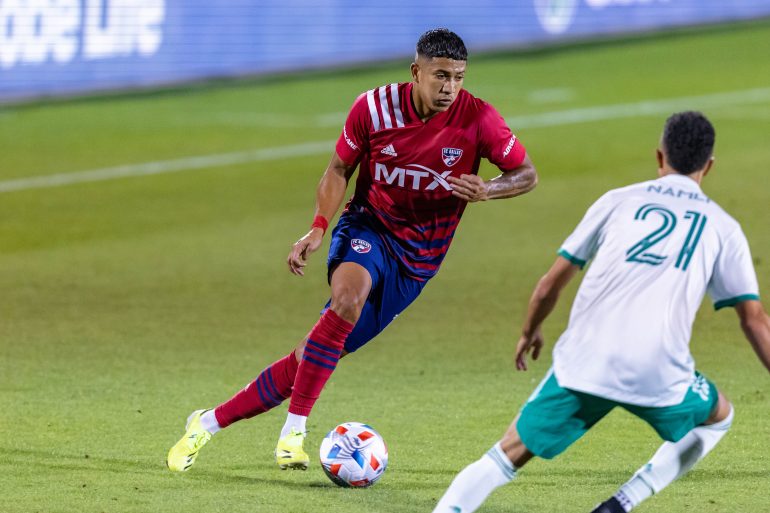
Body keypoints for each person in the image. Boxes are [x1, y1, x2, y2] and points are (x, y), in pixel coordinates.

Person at [166, 28, 537, 472]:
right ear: (416, 72)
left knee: (310, 357)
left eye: (458, 77)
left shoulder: (478, 118)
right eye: (440, 75)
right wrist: (318, 227)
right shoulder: (373, 108)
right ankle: (293, 433)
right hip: (367, 227)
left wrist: (489, 189)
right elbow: (339, 168)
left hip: (417, 262)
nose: (449, 87)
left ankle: (207, 422)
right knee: (347, 299)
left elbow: (526, 174)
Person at [432, 111, 770, 513]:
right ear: (708, 166)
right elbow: (754, 320)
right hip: (659, 368)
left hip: (585, 359)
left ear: (659, 156)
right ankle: (621, 503)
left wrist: (529, 330)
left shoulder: (617, 201)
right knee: (718, 418)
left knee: (503, 457)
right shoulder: (723, 227)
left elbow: (549, 285)